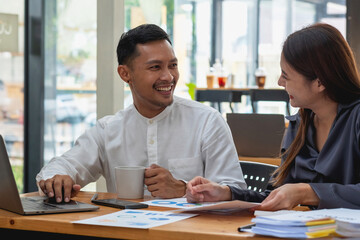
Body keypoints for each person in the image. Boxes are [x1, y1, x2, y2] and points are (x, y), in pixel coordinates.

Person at [36, 24, 246, 203]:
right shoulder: (109, 130)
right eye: (155, 67)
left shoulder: (207, 121)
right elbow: (65, 165)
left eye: (172, 65)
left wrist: (183, 190)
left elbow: (236, 193)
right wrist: (57, 178)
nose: (168, 76)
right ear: (125, 74)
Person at [186, 23, 360, 210]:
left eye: (286, 75)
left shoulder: (356, 118)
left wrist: (307, 192)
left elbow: (301, 193)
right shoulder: (300, 124)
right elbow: (277, 196)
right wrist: (227, 193)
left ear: (319, 82)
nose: (279, 82)